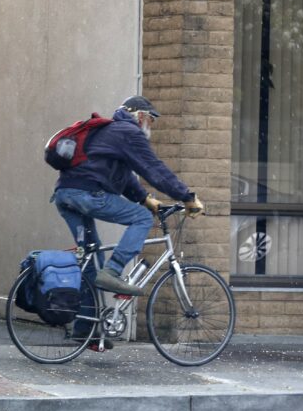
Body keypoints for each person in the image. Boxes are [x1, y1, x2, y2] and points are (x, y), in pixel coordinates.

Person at [52, 95, 204, 301]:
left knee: (91, 257)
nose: (151, 126)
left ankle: (85, 329)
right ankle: (113, 270)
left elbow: (123, 176)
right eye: (151, 120)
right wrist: (186, 196)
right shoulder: (128, 131)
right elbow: (153, 169)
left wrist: (144, 199)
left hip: (65, 195)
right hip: (87, 195)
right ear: (140, 116)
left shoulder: (108, 131)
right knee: (141, 218)